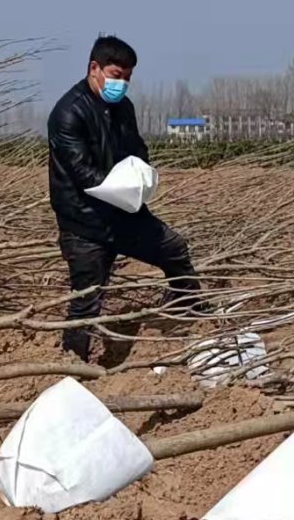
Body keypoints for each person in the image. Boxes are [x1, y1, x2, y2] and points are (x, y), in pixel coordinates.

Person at [46, 35, 201, 362]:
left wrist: (141, 176)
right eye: (116, 75)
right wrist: (121, 189)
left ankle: (189, 317)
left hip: (124, 213)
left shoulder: (123, 108)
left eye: (128, 78)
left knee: (174, 249)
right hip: (84, 223)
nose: (122, 84)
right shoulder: (68, 113)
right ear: (95, 68)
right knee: (87, 300)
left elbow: (137, 149)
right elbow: (82, 173)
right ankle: (75, 365)